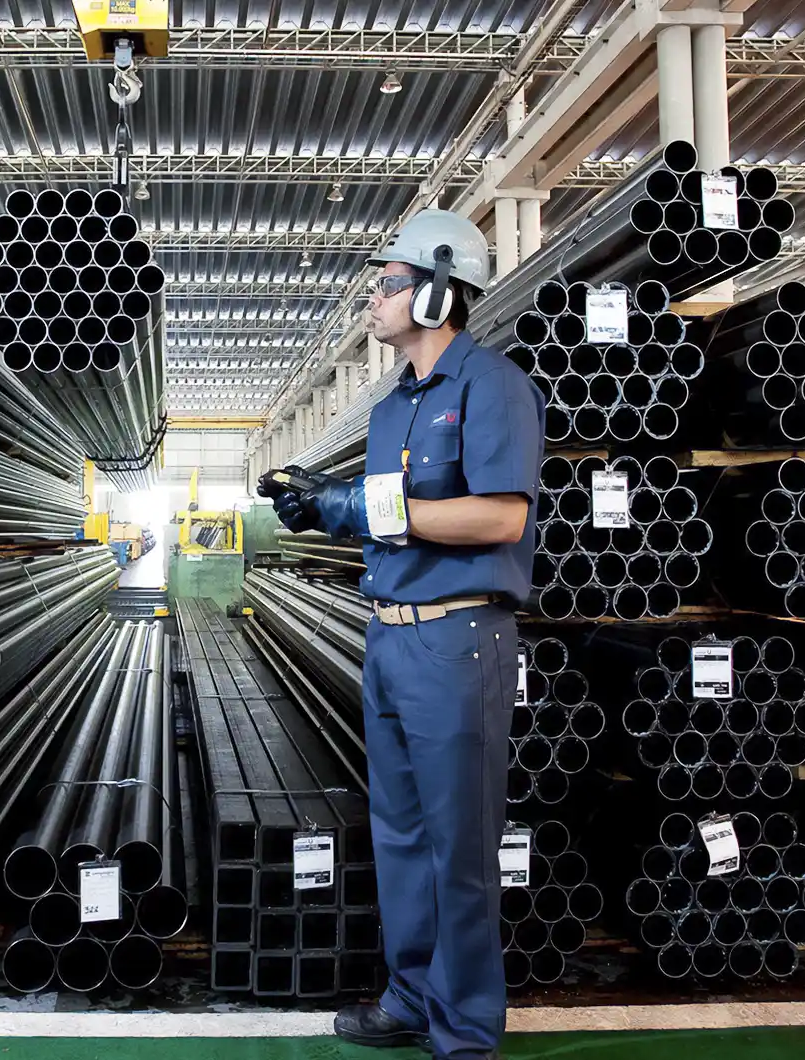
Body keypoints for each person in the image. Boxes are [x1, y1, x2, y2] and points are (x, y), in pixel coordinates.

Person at [257, 210, 543, 1060]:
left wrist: (363, 508)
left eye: (383, 285)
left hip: (456, 642)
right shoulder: (391, 411)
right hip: (389, 635)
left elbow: (496, 516)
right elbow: (392, 520)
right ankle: (412, 995)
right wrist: (326, 505)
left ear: (435, 288)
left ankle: (464, 1031)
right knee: (402, 834)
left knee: (458, 846)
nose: (370, 302)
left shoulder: (488, 386)